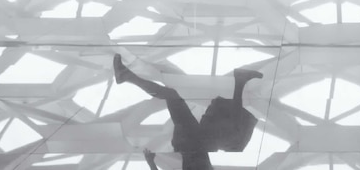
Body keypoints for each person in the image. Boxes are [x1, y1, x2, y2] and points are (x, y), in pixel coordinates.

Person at [113, 54, 264, 170]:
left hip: (192, 144)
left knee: (235, 138)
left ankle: (240, 81)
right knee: (235, 139)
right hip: (196, 142)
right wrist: (151, 162)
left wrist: (151, 162)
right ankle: (126, 76)